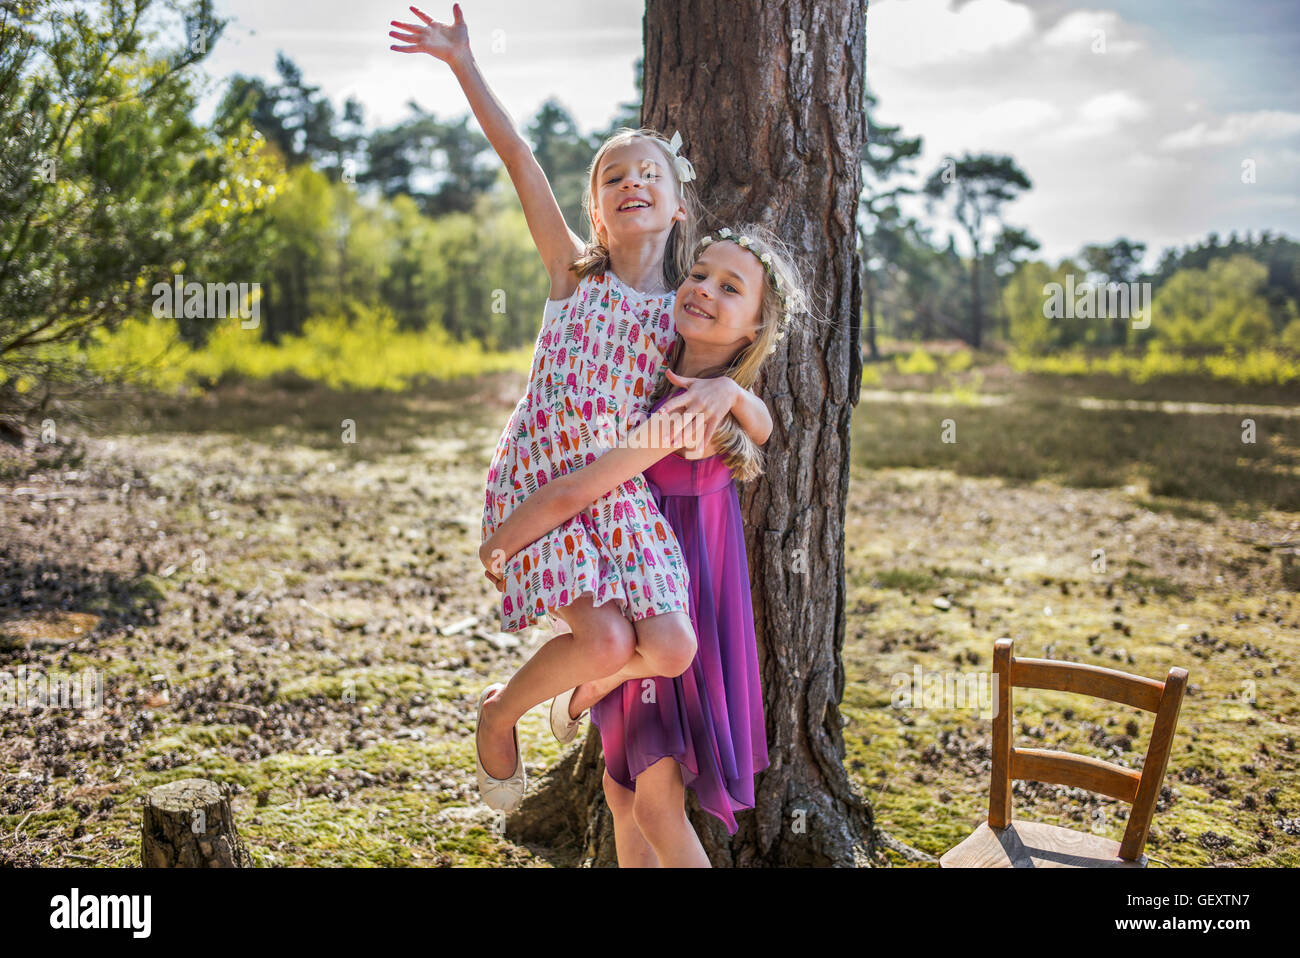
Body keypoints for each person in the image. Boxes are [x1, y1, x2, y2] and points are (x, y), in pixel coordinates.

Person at [389, 5, 775, 812]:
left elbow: (759, 417)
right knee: (602, 634)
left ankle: (581, 693)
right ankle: (500, 716)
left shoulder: (685, 308)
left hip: (614, 492)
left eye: (650, 175)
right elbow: (519, 155)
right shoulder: (574, 277)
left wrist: (736, 392)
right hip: (543, 484)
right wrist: (463, 63)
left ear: (676, 209)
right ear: (596, 211)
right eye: (613, 177)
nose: (632, 181)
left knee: (669, 645)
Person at [482, 225, 806, 866]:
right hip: (640, 591)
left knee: (654, 801)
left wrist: (502, 542)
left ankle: (586, 688)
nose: (705, 290)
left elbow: (582, 489)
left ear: (752, 331)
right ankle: (588, 686)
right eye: (700, 275)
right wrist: (735, 390)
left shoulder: (692, 410)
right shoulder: (651, 374)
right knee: (621, 789)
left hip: (681, 608)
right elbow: (761, 426)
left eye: (730, 288)